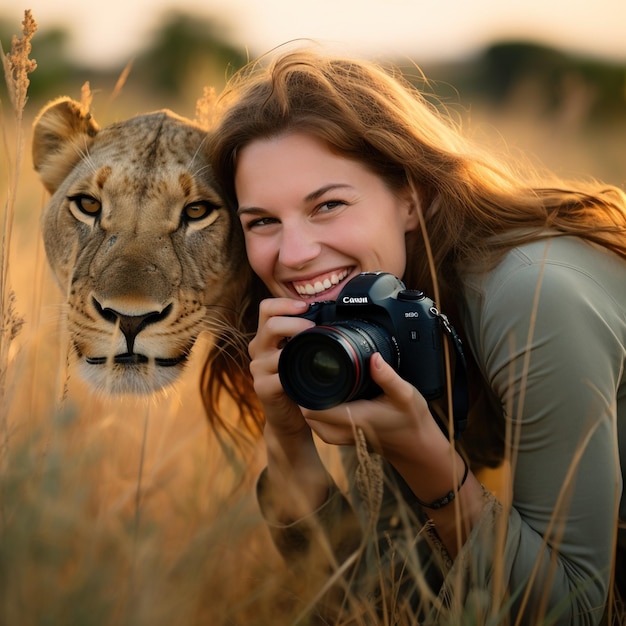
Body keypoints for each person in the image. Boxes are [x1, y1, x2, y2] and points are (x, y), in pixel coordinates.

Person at [203, 47, 626, 625]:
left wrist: (426, 460)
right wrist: (290, 443)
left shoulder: (535, 296)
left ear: (410, 196)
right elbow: (383, 603)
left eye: (328, 205)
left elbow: (576, 613)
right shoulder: (369, 323)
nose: (295, 254)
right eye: (262, 222)